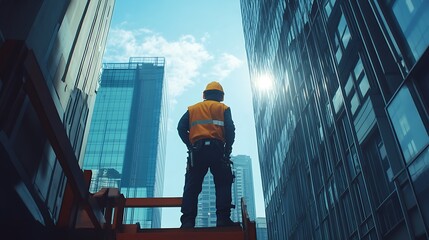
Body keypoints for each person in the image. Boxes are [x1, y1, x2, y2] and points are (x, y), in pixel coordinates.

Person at [177, 81, 236, 228]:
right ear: (221, 96)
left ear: (205, 94)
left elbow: (180, 127)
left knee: (192, 185)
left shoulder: (193, 109)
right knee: (222, 184)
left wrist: (190, 145)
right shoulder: (223, 108)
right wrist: (227, 150)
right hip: (217, 151)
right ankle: (223, 220)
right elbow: (230, 130)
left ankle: (188, 221)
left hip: (197, 152)